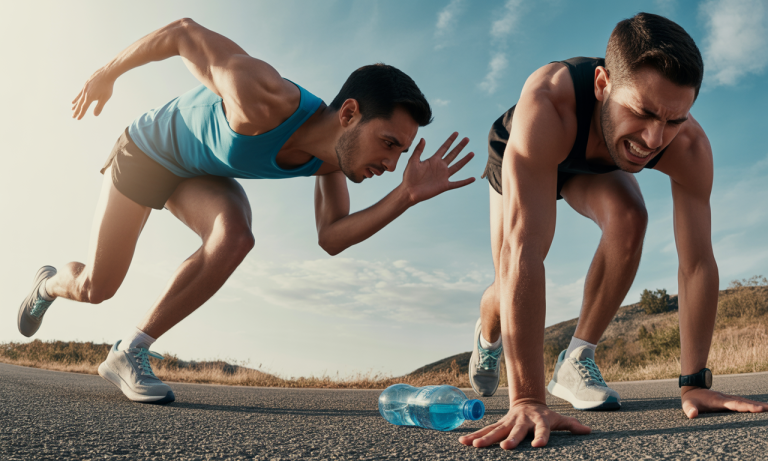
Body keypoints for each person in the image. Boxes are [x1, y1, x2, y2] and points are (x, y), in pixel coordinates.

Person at [17, 18, 475, 404]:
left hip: (200, 173)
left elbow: (332, 237)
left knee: (235, 236)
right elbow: (182, 32)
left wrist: (406, 196)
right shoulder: (263, 95)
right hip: (148, 149)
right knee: (96, 286)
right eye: (389, 144)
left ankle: (129, 351)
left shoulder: (331, 163)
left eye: (402, 153)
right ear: (350, 113)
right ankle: (49, 284)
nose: (392, 164)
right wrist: (107, 73)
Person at [461, 12, 768, 450]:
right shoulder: (548, 104)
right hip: (530, 147)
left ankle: (577, 359)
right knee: (505, 275)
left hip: (597, 159)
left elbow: (697, 263)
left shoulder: (687, 144)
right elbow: (523, 253)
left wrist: (694, 382)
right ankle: (488, 336)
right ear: (603, 84)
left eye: (674, 119)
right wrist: (527, 398)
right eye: (642, 112)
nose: (655, 138)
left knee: (630, 216)